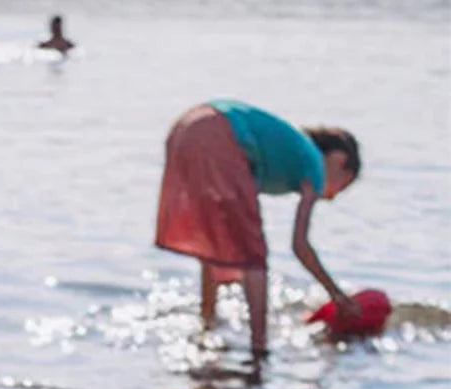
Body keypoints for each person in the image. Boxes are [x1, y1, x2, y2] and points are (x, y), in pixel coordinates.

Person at [154, 99, 361, 357]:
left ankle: (207, 325)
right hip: (222, 133)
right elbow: (300, 245)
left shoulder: (291, 148)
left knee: (214, 242)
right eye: (342, 185)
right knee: (253, 256)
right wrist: (336, 294)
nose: (331, 197)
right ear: (340, 161)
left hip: (186, 127)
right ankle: (259, 350)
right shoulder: (315, 165)